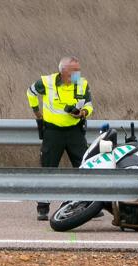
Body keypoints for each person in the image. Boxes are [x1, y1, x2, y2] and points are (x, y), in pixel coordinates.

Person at [26, 56, 93, 220]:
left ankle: (88, 204)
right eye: (74, 71)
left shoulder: (82, 83)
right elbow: (30, 92)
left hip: (75, 132)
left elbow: (89, 105)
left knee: (85, 166)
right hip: (53, 133)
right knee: (48, 168)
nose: (77, 74)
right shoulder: (47, 82)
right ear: (63, 72)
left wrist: (82, 113)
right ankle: (43, 207)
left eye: (79, 70)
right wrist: (36, 112)